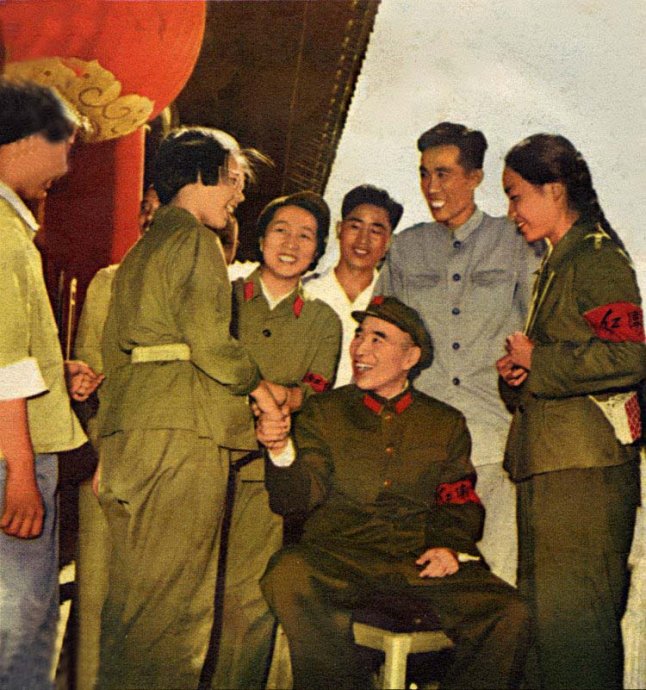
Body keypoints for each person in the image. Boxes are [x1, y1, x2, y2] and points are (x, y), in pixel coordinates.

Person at [257, 296, 531, 690]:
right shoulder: (324, 412)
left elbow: (459, 502)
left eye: (378, 338)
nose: (360, 349)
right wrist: (281, 450)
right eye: (359, 336)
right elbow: (296, 500)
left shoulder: (445, 422)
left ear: (410, 357)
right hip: (341, 560)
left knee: (510, 611)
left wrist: (448, 547)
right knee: (287, 573)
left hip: (416, 565)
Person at [95, 127, 286, 690]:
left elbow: (113, 355)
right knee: (177, 618)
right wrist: (259, 388)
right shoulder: (197, 241)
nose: (239, 195)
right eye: (233, 179)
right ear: (201, 175)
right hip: (183, 438)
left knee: (133, 610)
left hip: (131, 440)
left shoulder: (140, 252)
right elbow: (210, 342)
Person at [496, 133, 646, 690]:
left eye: (516, 195)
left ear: (554, 190)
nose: (510, 211)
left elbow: (630, 355)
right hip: (552, 466)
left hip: (584, 473)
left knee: (574, 633)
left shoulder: (597, 257)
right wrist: (519, 375)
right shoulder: (558, 263)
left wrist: (539, 360)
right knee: (543, 632)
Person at [376, 122, 542, 585]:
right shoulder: (406, 249)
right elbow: (380, 337)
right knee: (421, 579)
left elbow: (539, 328)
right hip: (422, 444)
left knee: (502, 574)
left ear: (475, 177)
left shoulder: (515, 242)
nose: (432, 186)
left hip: (493, 439)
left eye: (444, 173)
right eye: (424, 173)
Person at [212, 191, 342, 689]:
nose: (291, 243)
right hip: (203, 459)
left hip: (263, 474)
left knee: (248, 603)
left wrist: (271, 395)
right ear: (261, 237)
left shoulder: (323, 321)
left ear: (318, 250)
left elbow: (314, 391)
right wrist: (271, 391)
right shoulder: (220, 296)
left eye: (306, 236)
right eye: (281, 230)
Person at [0, 79, 102, 690]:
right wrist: (20, 474)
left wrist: (53, 371)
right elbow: (3, 368)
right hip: (14, 454)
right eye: (62, 145)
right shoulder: (3, 233)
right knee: (21, 627)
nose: (65, 166)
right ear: (23, 141)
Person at [73, 186, 160, 690]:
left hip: (172, 464)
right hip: (109, 456)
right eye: (145, 210)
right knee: (96, 594)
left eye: (162, 210)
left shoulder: (206, 287)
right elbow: (90, 371)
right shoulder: (108, 282)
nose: (151, 219)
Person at [305, 184, 402, 386]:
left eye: (375, 231)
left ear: (388, 242)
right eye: (355, 227)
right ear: (339, 229)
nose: (363, 240)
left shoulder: (395, 307)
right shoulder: (304, 291)